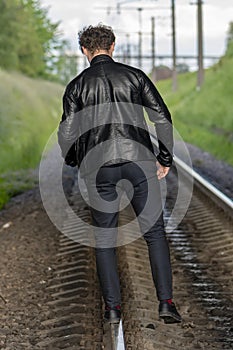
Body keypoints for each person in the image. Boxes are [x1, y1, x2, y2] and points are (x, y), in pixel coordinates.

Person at [58, 24, 182, 324]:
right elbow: (162, 119)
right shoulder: (135, 76)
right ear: (112, 46)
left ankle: (113, 310)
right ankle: (165, 304)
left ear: (85, 51)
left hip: (98, 167)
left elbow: (67, 133)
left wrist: (78, 160)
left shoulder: (76, 86)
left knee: (104, 239)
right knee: (154, 233)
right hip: (138, 161)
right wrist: (164, 157)